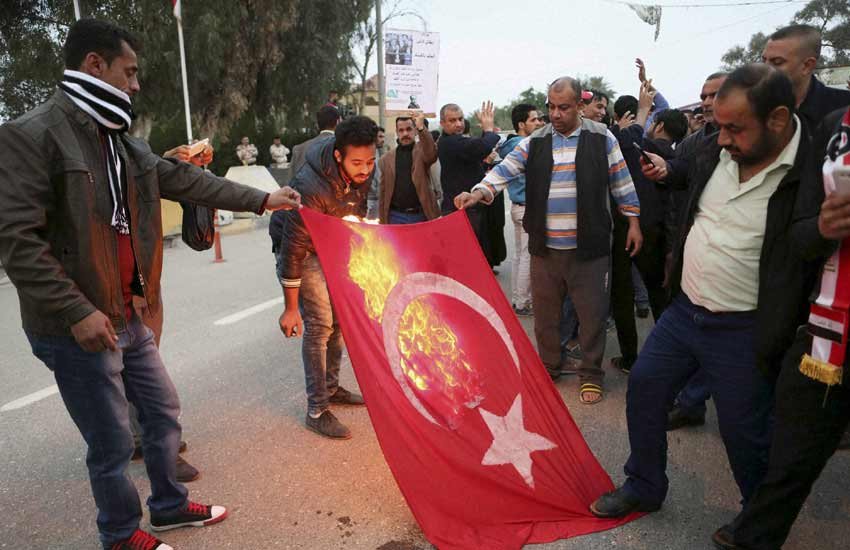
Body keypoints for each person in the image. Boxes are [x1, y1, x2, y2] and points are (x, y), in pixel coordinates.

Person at [0, 19, 301, 550]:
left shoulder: (118, 137)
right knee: (112, 440)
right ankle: (119, 535)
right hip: (78, 325)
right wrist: (75, 311)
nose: (136, 85)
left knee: (162, 414)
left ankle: (167, 507)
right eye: (129, 71)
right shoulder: (33, 135)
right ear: (95, 65)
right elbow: (16, 241)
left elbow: (183, 178)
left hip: (129, 312)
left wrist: (262, 199)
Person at [589, 65, 812, 527]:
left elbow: (811, 245)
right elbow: (689, 169)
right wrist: (669, 169)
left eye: (734, 128)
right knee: (646, 388)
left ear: (776, 119)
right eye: (718, 126)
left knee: (744, 431)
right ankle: (645, 485)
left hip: (745, 328)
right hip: (685, 310)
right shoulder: (714, 147)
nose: (722, 137)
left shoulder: (811, 171)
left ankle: (758, 518)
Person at [455, 76, 642, 405]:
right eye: (551, 107)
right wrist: (479, 191)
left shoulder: (602, 138)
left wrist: (633, 222)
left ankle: (590, 374)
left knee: (592, 315)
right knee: (545, 316)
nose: (555, 115)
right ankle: (549, 366)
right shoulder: (536, 141)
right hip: (545, 247)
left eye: (563, 108)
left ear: (580, 107)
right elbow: (505, 169)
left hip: (590, 249)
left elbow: (621, 181)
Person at [713, 107, 850, 550]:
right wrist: (824, 227)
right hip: (827, 334)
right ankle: (756, 537)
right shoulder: (836, 126)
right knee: (790, 456)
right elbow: (798, 232)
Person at [277, 116, 378, 440]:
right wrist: (290, 309)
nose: (365, 170)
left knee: (341, 320)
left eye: (370, 161)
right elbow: (291, 252)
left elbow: (356, 216)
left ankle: (332, 388)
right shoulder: (310, 187)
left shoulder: (360, 173)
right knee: (319, 323)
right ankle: (317, 409)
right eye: (357, 163)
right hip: (302, 249)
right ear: (338, 156)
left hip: (331, 245)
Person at [608, 85, 688, 374]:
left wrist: (641, 112)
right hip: (656, 233)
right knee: (658, 296)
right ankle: (670, 358)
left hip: (623, 229)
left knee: (622, 295)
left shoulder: (640, 148)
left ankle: (631, 357)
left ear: (660, 125)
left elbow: (624, 139)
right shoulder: (680, 159)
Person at [438, 101, 502, 264]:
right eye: (452, 121)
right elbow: (481, 147)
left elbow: (476, 151)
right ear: (442, 123)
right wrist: (488, 130)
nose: (458, 124)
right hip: (461, 210)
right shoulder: (449, 143)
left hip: (471, 207)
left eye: (460, 119)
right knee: (466, 260)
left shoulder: (459, 141)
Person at [498, 103, 544, 316]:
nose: (539, 123)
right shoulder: (525, 146)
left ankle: (518, 299)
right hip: (526, 208)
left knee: (520, 255)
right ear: (521, 124)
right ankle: (523, 302)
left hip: (518, 207)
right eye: (534, 120)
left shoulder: (510, 145)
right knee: (527, 256)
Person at [761, 24, 850, 130]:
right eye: (763, 60)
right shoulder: (754, 107)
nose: (765, 69)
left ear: (807, 66)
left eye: (777, 62)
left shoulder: (844, 107)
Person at [377, 112, 440, 224]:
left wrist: (422, 128)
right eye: (401, 130)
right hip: (395, 216)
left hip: (421, 215)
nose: (405, 133)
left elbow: (431, 154)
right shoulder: (386, 159)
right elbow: (383, 192)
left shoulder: (421, 152)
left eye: (409, 129)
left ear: (415, 130)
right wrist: (383, 222)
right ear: (397, 132)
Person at [290, 105, 340, 176]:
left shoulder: (299, 150)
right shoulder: (345, 149)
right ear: (338, 122)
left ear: (317, 124)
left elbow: (290, 185)